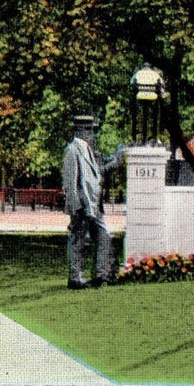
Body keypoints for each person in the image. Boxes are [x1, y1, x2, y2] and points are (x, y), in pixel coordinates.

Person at [61, 115, 125, 289]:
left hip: (92, 204)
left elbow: (98, 171)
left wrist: (116, 160)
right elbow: (70, 182)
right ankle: (75, 278)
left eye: (94, 130)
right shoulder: (73, 150)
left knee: (102, 236)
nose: (94, 134)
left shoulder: (88, 149)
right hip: (82, 204)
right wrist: (75, 207)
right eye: (91, 130)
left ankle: (101, 275)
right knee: (77, 240)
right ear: (82, 130)